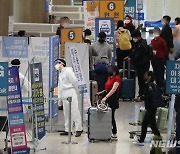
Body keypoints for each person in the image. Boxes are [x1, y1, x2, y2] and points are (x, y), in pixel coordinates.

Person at [55, 58, 82, 137]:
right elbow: (60, 87)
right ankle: (68, 130)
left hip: (70, 91)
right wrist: (60, 99)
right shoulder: (60, 73)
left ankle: (78, 128)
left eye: (58, 63)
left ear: (62, 64)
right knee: (66, 112)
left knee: (74, 110)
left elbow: (75, 81)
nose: (56, 65)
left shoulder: (68, 71)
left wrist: (77, 91)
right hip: (64, 93)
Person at [136, 71, 162, 143]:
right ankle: (157, 136)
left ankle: (143, 139)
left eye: (146, 75)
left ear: (149, 77)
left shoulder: (150, 85)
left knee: (145, 123)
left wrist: (141, 98)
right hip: (152, 107)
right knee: (151, 124)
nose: (144, 76)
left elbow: (150, 95)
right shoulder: (153, 85)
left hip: (151, 107)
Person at [124, 30, 150, 99]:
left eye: (134, 37)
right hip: (140, 64)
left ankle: (142, 95)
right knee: (140, 80)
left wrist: (131, 59)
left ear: (138, 37)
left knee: (142, 80)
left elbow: (139, 55)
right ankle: (141, 94)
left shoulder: (141, 45)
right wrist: (130, 56)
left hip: (143, 64)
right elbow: (134, 52)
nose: (133, 39)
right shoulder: (139, 43)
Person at [98, 65, 121, 139]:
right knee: (107, 114)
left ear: (114, 72)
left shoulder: (117, 78)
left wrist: (106, 97)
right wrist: (102, 92)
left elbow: (114, 89)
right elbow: (108, 87)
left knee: (111, 115)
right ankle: (108, 130)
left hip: (113, 98)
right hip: (108, 95)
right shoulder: (109, 77)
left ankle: (114, 132)